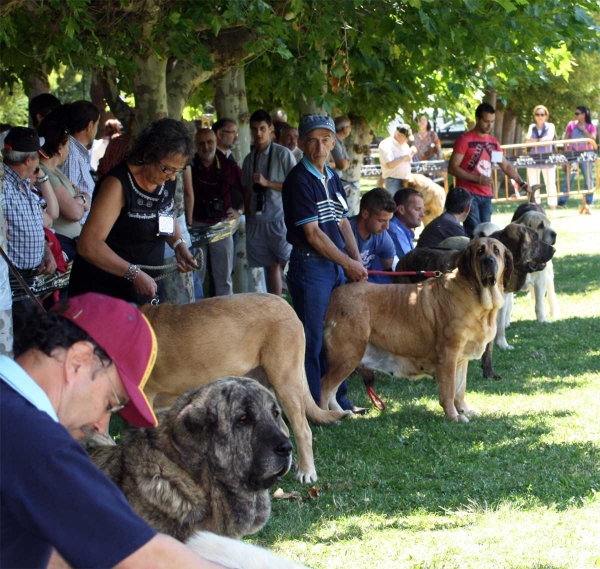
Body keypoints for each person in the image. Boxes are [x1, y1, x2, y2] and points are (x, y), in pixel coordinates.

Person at [0, 292, 235, 568]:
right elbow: (145, 558)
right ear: (78, 361)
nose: (101, 425)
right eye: (110, 404)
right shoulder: (37, 442)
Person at [282, 115, 368, 413]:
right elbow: (313, 234)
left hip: (333, 266)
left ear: (334, 142)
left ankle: (338, 400)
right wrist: (348, 263)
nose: (320, 145)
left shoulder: (331, 176)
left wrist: (357, 260)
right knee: (313, 338)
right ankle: (311, 406)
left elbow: (344, 222)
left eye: (325, 139)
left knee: (337, 335)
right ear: (303, 144)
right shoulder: (298, 180)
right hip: (310, 266)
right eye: (313, 140)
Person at [67, 118, 197, 304]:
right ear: (148, 154)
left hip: (142, 293)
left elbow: (166, 215)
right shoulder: (117, 185)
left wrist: (179, 245)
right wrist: (133, 273)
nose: (172, 176)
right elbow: (89, 245)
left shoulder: (166, 180)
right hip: (105, 294)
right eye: (167, 169)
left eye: (178, 170)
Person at [448, 102, 530, 237]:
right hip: (468, 194)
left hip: (486, 194)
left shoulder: (493, 142)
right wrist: (477, 178)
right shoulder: (464, 140)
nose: (489, 125)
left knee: (487, 233)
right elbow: (452, 167)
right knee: (475, 232)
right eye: (486, 121)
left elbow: (506, 165)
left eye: (492, 121)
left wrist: (522, 183)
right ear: (477, 119)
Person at [185, 128, 245, 297]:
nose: (206, 147)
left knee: (224, 278)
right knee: (196, 276)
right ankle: (195, 314)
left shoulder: (227, 165)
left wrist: (239, 210)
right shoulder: (189, 165)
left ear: (215, 142)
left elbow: (248, 189)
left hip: (222, 226)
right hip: (196, 225)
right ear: (195, 146)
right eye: (201, 143)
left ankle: (225, 317)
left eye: (210, 142)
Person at [242, 109, 296, 296]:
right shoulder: (249, 159)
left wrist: (268, 183)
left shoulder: (283, 154)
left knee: (289, 265)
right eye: (254, 129)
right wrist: (247, 215)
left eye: (262, 128)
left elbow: (294, 187)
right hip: (257, 221)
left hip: (279, 219)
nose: (258, 133)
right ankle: (276, 305)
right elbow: (247, 190)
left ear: (271, 129)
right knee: (269, 266)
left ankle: (299, 303)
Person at [1, 127, 57, 276]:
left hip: (29, 279)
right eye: (38, 157)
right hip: (11, 281)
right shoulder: (2, 186)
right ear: (28, 160)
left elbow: (38, 226)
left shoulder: (24, 183)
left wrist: (46, 251)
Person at [38, 119, 91, 260]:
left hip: (72, 242)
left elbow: (81, 197)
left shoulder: (56, 171)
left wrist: (80, 198)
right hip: (63, 243)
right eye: (67, 146)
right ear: (59, 149)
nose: (68, 151)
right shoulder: (45, 173)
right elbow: (74, 213)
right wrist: (83, 199)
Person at [61, 100, 100, 223]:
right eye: (97, 125)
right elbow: (68, 198)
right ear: (90, 126)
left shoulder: (78, 153)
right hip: (74, 230)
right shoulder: (71, 154)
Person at [349, 188, 397, 284]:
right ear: (365, 214)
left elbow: (392, 269)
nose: (387, 227)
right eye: (382, 220)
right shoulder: (345, 232)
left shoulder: (381, 235)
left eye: (389, 220)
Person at [557, 105, 597, 207]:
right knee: (569, 177)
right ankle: (563, 200)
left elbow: (593, 140)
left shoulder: (591, 126)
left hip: (586, 156)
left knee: (588, 178)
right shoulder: (571, 125)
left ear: (584, 114)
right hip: (573, 156)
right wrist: (566, 157)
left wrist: (584, 130)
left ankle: (589, 200)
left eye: (577, 113)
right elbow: (565, 140)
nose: (576, 115)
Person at [525, 105, 557, 210]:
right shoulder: (532, 127)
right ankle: (535, 207)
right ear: (534, 116)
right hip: (534, 159)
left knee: (550, 183)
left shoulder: (550, 126)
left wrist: (536, 141)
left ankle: (553, 208)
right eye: (537, 114)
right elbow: (527, 140)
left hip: (547, 158)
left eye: (542, 114)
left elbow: (548, 139)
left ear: (546, 116)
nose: (540, 116)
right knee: (534, 184)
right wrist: (540, 141)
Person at [387, 187, 424, 260]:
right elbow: (409, 265)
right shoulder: (394, 232)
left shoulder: (404, 230)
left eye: (422, 209)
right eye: (417, 209)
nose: (422, 214)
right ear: (401, 209)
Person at [378, 124, 414, 194]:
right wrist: (403, 158)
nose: (407, 140)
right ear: (398, 135)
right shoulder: (386, 144)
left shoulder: (404, 145)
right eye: (406, 138)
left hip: (406, 180)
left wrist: (411, 155)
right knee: (394, 203)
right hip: (392, 181)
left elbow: (407, 160)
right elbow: (389, 164)